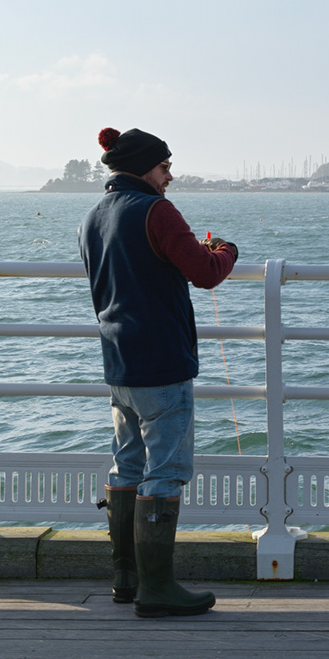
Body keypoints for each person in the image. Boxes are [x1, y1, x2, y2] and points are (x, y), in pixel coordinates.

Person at [78, 126, 238, 618]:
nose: (170, 177)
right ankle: (158, 589)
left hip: (118, 362)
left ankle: (126, 579)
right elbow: (205, 272)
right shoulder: (156, 210)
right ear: (145, 167)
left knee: (127, 465)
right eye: (165, 167)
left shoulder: (93, 216)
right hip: (162, 364)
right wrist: (226, 250)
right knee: (165, 470)